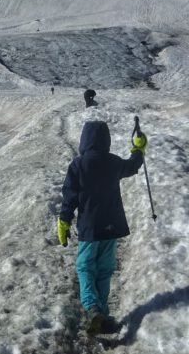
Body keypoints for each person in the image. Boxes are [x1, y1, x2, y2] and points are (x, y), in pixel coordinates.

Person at [57, 121, 147, 334]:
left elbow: (69, 198)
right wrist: (138, 148)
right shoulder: (114, 162)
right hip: (111, 226)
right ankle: (103, 317)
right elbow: (132, 166)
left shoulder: (78, 165)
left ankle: (92, 308)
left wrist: (64, 221)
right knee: (104, 271)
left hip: (89, 228)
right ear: (106, 140)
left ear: (84, 140)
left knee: (85, 267)